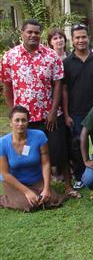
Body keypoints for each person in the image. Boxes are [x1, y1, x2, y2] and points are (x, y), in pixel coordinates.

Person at [1, 19, 64, 187]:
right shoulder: (10, 57)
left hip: (48, 115)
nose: (33, 35)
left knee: (57, 150)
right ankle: (35, 183)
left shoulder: (51, 56)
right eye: (29, 32)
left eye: (37, 32)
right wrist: (14, 112)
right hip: (25, 118)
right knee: (30, 153)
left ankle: (67, 184)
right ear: (22, 33)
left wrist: (52, 111)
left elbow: (58, 84)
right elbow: (6, 85)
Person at [62, 24, 93, 190]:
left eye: (83, 37)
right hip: (75, 113)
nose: (81, 40)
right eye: (77, 38)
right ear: (72, 41)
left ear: (88, 38)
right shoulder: (66, 63)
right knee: (76, 145)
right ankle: (80, 175)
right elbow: (65, 90)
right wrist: (66, 114)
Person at [0, 106, 66, 212]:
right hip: (14, 181)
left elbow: (46, 163)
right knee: (30, 205)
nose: (20, 124)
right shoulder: (3, 143)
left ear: (28, 122)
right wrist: (26, 192)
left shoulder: (39, 136)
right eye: (17, 120)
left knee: (52, 200)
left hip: (35, 178)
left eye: (24, 120)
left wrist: (46, 188)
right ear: (11, 122)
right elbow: (5, 174)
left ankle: (36, 192)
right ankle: (5, 199)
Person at [47, 28, 78, 198]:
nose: (59, 41)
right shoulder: (49, 58)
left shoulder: (70, 58)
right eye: (55, 38)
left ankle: (72, 170)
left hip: (70, 102)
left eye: (61, 38)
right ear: (50, 41)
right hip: (53, 104)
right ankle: (55, 172)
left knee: (70, 138)